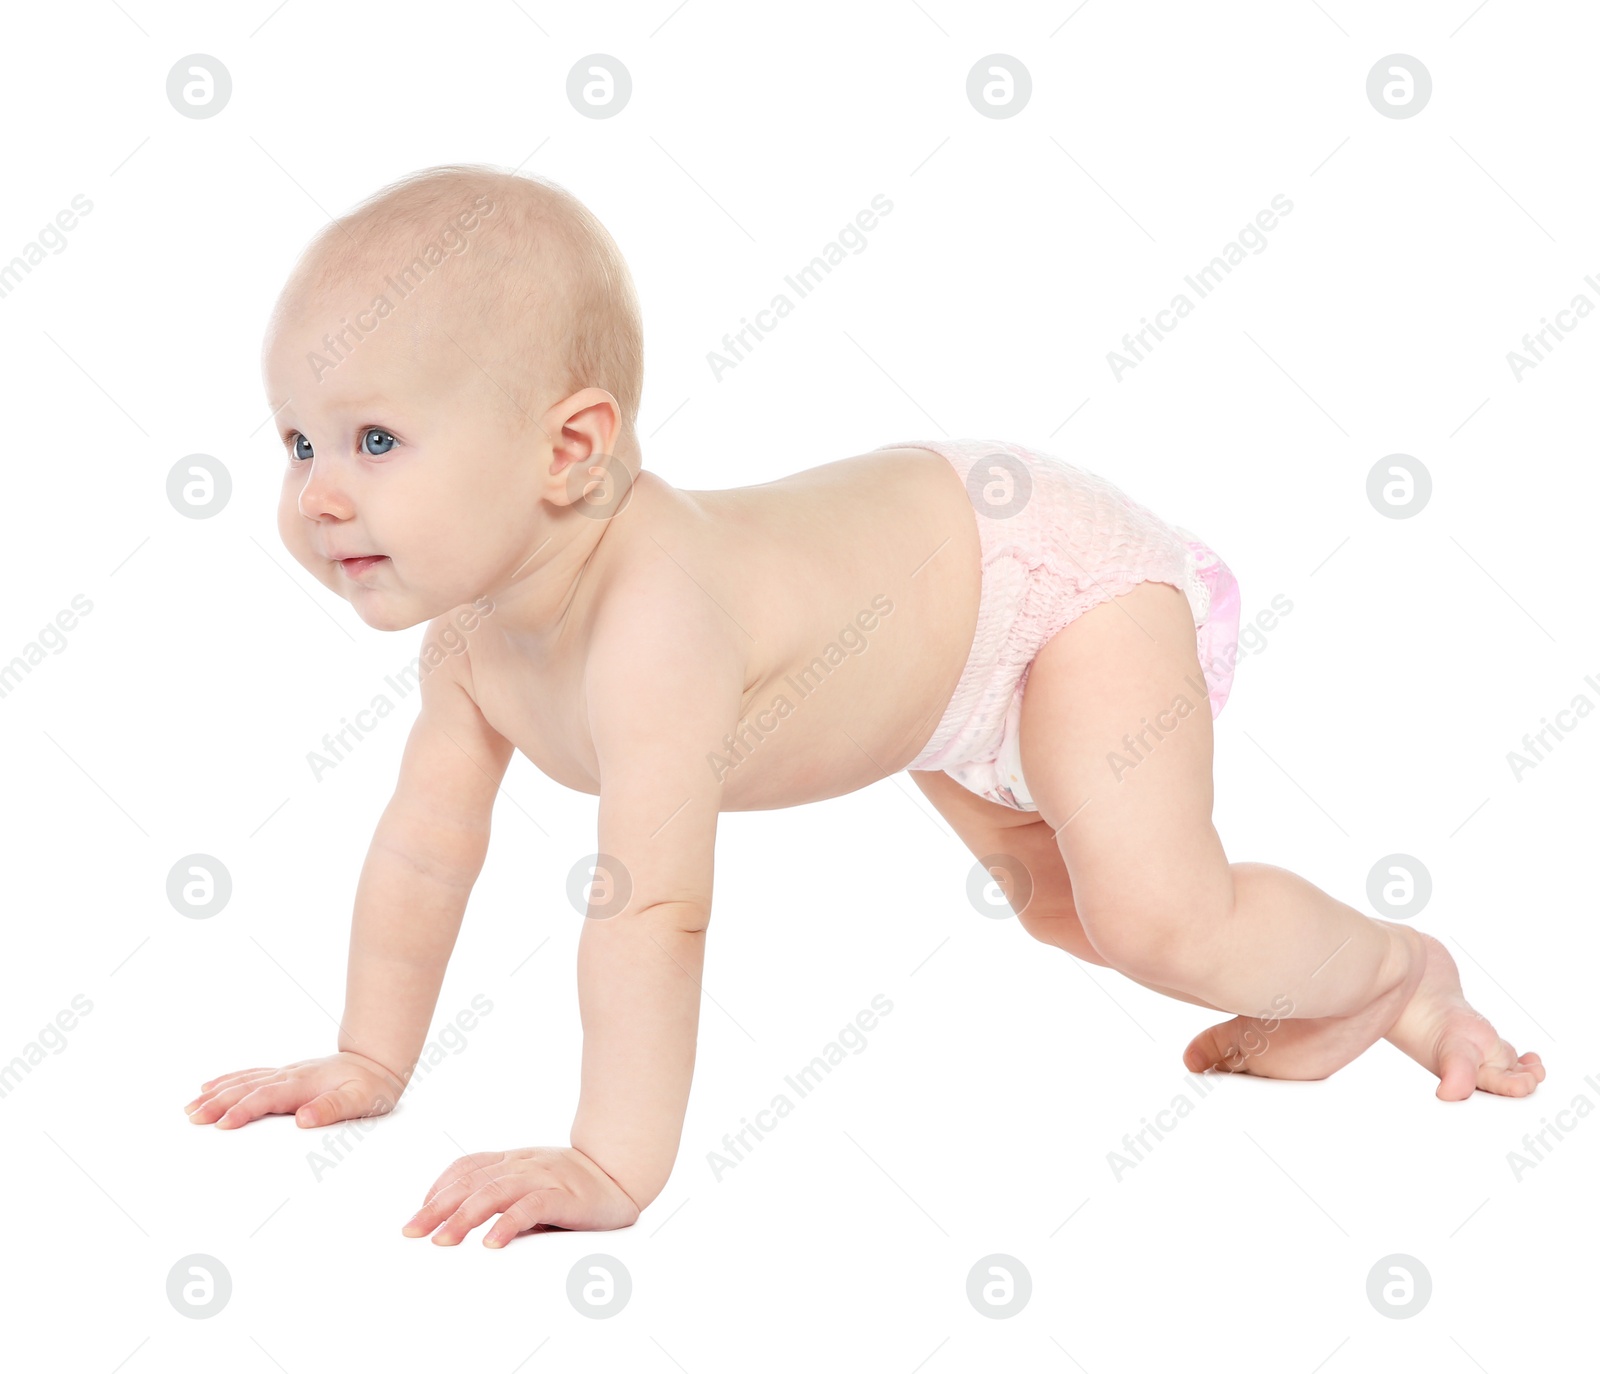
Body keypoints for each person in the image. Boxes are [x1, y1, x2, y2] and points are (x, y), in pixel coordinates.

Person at [185, 164, 1543, 1248]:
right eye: (298, 440)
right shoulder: (477, 632)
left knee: (1155, 912)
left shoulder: (654, 623)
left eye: (374, 441)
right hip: (930, 656)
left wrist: (612, 1159)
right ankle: (1344, 1002)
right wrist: (367, 1056)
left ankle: (1399, 978)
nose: (317, 492)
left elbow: (653, 907)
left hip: (1043, 581)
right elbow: (427, 849)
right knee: (1062, 906)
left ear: (569, 449)